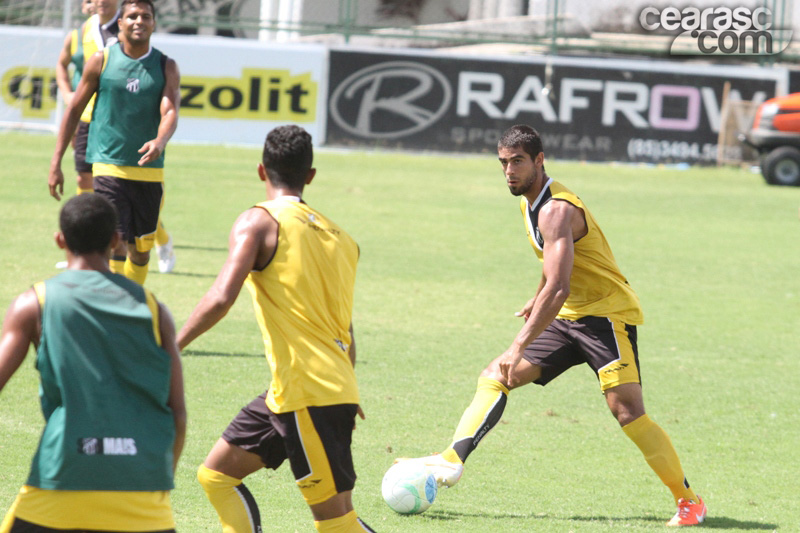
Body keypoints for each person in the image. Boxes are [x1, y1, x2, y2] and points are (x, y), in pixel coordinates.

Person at [403, 125, 707, 527]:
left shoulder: (556, 208)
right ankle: (453, 459)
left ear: (539, 160)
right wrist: (537, 294)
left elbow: (560, 285)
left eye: (518, 162)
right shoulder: (530, 202)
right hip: (568, 317)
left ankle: (689, 500)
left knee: (627, 412)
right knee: (496, 375)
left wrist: (519, 343)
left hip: (605, 317)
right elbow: (554, 271)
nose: (509, 171)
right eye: (503, 163)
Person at [177, 125, 374, 533]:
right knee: (217, 476)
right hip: (297, 391)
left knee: (336, 525)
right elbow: (346, 328)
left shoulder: (259, 222)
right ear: (311, 175)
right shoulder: (343, 238)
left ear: (261, 171)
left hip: (309, 392)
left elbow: (220, 297)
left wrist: (171, 346)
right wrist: (347, 389)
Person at [0, 194, 186, 533]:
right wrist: (156, 477)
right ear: (116, 240)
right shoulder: (155, 310)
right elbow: (178, 412)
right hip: (144, 495)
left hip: (61, 483)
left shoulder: (34, 303)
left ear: (60, 240)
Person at [48, 0, 180, 284]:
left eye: (145, 16)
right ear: (120, 23)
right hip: (108, 168)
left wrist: (160, 140)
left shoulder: (165, 65)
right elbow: (73, 110)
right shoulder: (101, 61)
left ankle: (132, 299)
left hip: (149, 170)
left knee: (140, 252)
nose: (138, 21)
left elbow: (170, 111)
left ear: (154, 24)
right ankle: (118, 306)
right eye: (132, 16)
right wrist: (56, 161)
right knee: (115, 243)